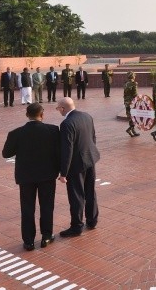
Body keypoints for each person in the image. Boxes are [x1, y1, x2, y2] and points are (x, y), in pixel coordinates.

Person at [2, 103, 60, 251]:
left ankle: (28, 241)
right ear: (42, 115)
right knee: (47, 206)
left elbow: (6, 153)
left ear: (27, 115)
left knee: (27, 208)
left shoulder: (16, 133)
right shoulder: (53, 130)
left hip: (25, 176)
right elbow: (59, 152)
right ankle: (47, 236)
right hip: (47, 175)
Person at [57, 97, 100, 237]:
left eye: (58, 108)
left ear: (63, 108)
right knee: (90, 191)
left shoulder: (66, 124)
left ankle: (76, 226)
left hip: (76, 165)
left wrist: (63, 173)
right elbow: (93, 137)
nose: (58, 111)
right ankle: (92, 220)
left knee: (76, 196)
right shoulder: (87, 116)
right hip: (90, 159)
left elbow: (67, 149)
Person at [123, 72, 139, 137]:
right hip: (132, 103)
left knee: (130, 117)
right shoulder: (133, 84)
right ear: (133, 77)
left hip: (126, 102)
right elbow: (135, 95)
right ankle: (130, 129)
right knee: (134, 117)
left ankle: (133, 131)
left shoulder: (126, 84)